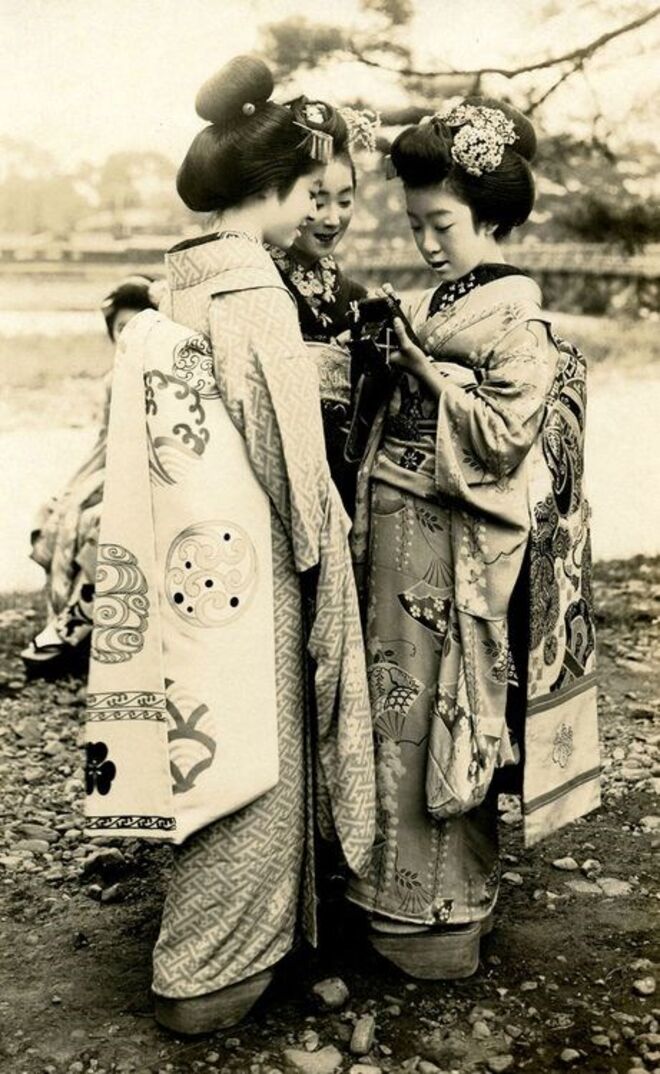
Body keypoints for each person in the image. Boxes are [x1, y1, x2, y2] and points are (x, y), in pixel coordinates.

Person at [82, 55, 375, 1034]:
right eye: (313, 189)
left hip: (192, 561)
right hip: (256, 561)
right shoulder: (253, 294)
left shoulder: (184, 280)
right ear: (275, 191)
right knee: (266, 756)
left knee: (211, 744)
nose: (320, 208)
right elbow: (294, 464)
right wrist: (327, 559)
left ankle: (237, 948)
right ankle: (214, 969)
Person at [347, 98, 599, 979]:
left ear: (490, 215)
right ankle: (382, 892)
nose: (425, 244)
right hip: (395, 531)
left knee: (441, 713)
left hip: (456, 542)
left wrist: (422, 371)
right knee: (387, 710)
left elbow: (502, 438)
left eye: (441, 223)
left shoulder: (518, 320)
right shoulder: (443, 298)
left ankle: (442, 910)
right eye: (415, 224)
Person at [23, 275, 159, 674]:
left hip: (156, 475)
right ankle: (70, 617)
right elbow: (104, 445)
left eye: (140, 329)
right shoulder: (114, 380)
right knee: (57, 512)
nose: (130, 339)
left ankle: (75, 627)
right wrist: (76, 489)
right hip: (118, 470)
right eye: (121, 330)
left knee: (100, 523)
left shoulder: (165, 380)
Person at [266, 108, 378, 513]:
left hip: (344, 486)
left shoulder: (356, 297)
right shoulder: (260, 288)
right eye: (316, 199)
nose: (332, 218)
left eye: (344, 201)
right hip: (277, 484)